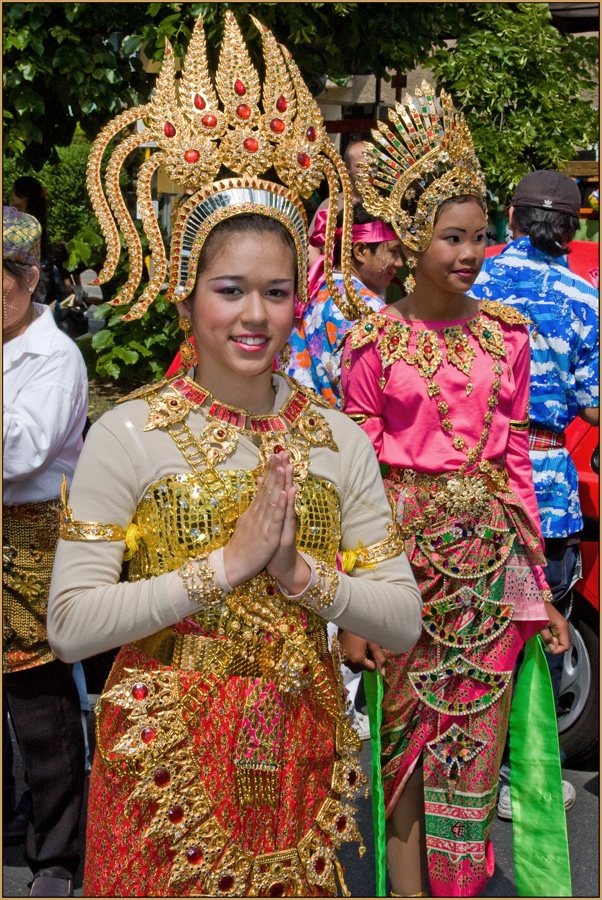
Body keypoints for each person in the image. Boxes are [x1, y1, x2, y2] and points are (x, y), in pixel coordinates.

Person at [47, 13, 423, 897]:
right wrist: (226, 565)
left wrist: (300, 578)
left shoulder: (338, 438)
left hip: (304, 750)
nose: (255, 315)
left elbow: (401, 619)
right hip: (161, 767)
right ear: (187, 297)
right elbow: (69, 627)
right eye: (230, 290)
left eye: (276, 292)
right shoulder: (128, 434)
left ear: (302, 299)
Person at [339, 82, 570, 898]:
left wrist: (532, 592)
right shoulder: (373, 339)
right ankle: (406, 890)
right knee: (402, 745)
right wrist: (359, 596)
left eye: (481, 236)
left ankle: (461, 885)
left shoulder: (506, 334)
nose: (470, 252)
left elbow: (512, 473)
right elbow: (356, 474)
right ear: (411, 237)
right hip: (401, 559)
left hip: (485, 563)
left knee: (476, 744)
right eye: (451, 237)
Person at [469, 169, 599, 819]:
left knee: (474, 630)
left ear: (511, 221)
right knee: (536, 633)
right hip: (543, 488)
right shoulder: (583, 299)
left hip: (467, 482)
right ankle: (522, 778)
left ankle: (471, 771)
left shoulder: (471, 283)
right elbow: (594, 406)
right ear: (572, 233)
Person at [3, 206, 88, 897]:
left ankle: (58, 851)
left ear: (27, 278)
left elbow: (24, 450)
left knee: (40, 701)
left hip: (30, 541)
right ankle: (11, 825)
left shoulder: (55, 358)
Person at [287, 203, 402, 404]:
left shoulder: (318, 288)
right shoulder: (367, 309)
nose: (399, 262)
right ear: (360, 251)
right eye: (394, 251)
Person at [308, 140, 367, 267]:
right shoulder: (331, 204)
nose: (367, 171)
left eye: (372, 166)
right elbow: (311, 246)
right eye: (361, 166)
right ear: (347, 168)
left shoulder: (386, 205)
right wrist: (325, 276)